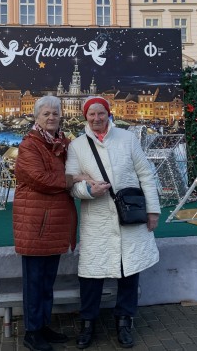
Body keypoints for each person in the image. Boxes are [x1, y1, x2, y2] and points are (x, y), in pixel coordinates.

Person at [66, 96, 161, 349]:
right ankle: (88, 323)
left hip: (129, 216)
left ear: (108, 114)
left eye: (101, 113)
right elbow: (72, 184)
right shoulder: (77, 146)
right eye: (91, 114)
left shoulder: (127, 139)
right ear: (85, 117)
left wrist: (153, 211)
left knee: (129, 271)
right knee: (91, 274)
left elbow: (146, 175)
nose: (96, 118)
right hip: (96, 219)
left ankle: (124, 321)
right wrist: (89, 190)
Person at [12, 95, 91, 351]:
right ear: (36, 117)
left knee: (46, 281)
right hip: (36, 223)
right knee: (35, 281)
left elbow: (80, 160)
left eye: (55, 113)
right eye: (46, 113)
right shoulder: (29, 146)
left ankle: (42, 325)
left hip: (53, 222)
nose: (51, 117)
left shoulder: (64, 143)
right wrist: (72, 178)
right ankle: (32, 332)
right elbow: (40, 178)